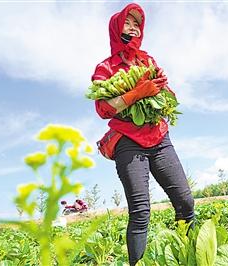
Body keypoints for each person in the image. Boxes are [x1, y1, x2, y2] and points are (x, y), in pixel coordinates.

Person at [90, 3, 195, 265]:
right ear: (116, 28)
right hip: (128, 141)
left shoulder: (147, 60)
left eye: (137, 23)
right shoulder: (106, 68)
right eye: (128, 22)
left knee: (185, 200)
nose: (134, 27)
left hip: (159, 137)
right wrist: (137, 93)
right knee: (140, 211)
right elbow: (103, 108)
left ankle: (192, 255)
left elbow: (169, 98)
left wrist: (162, 89)